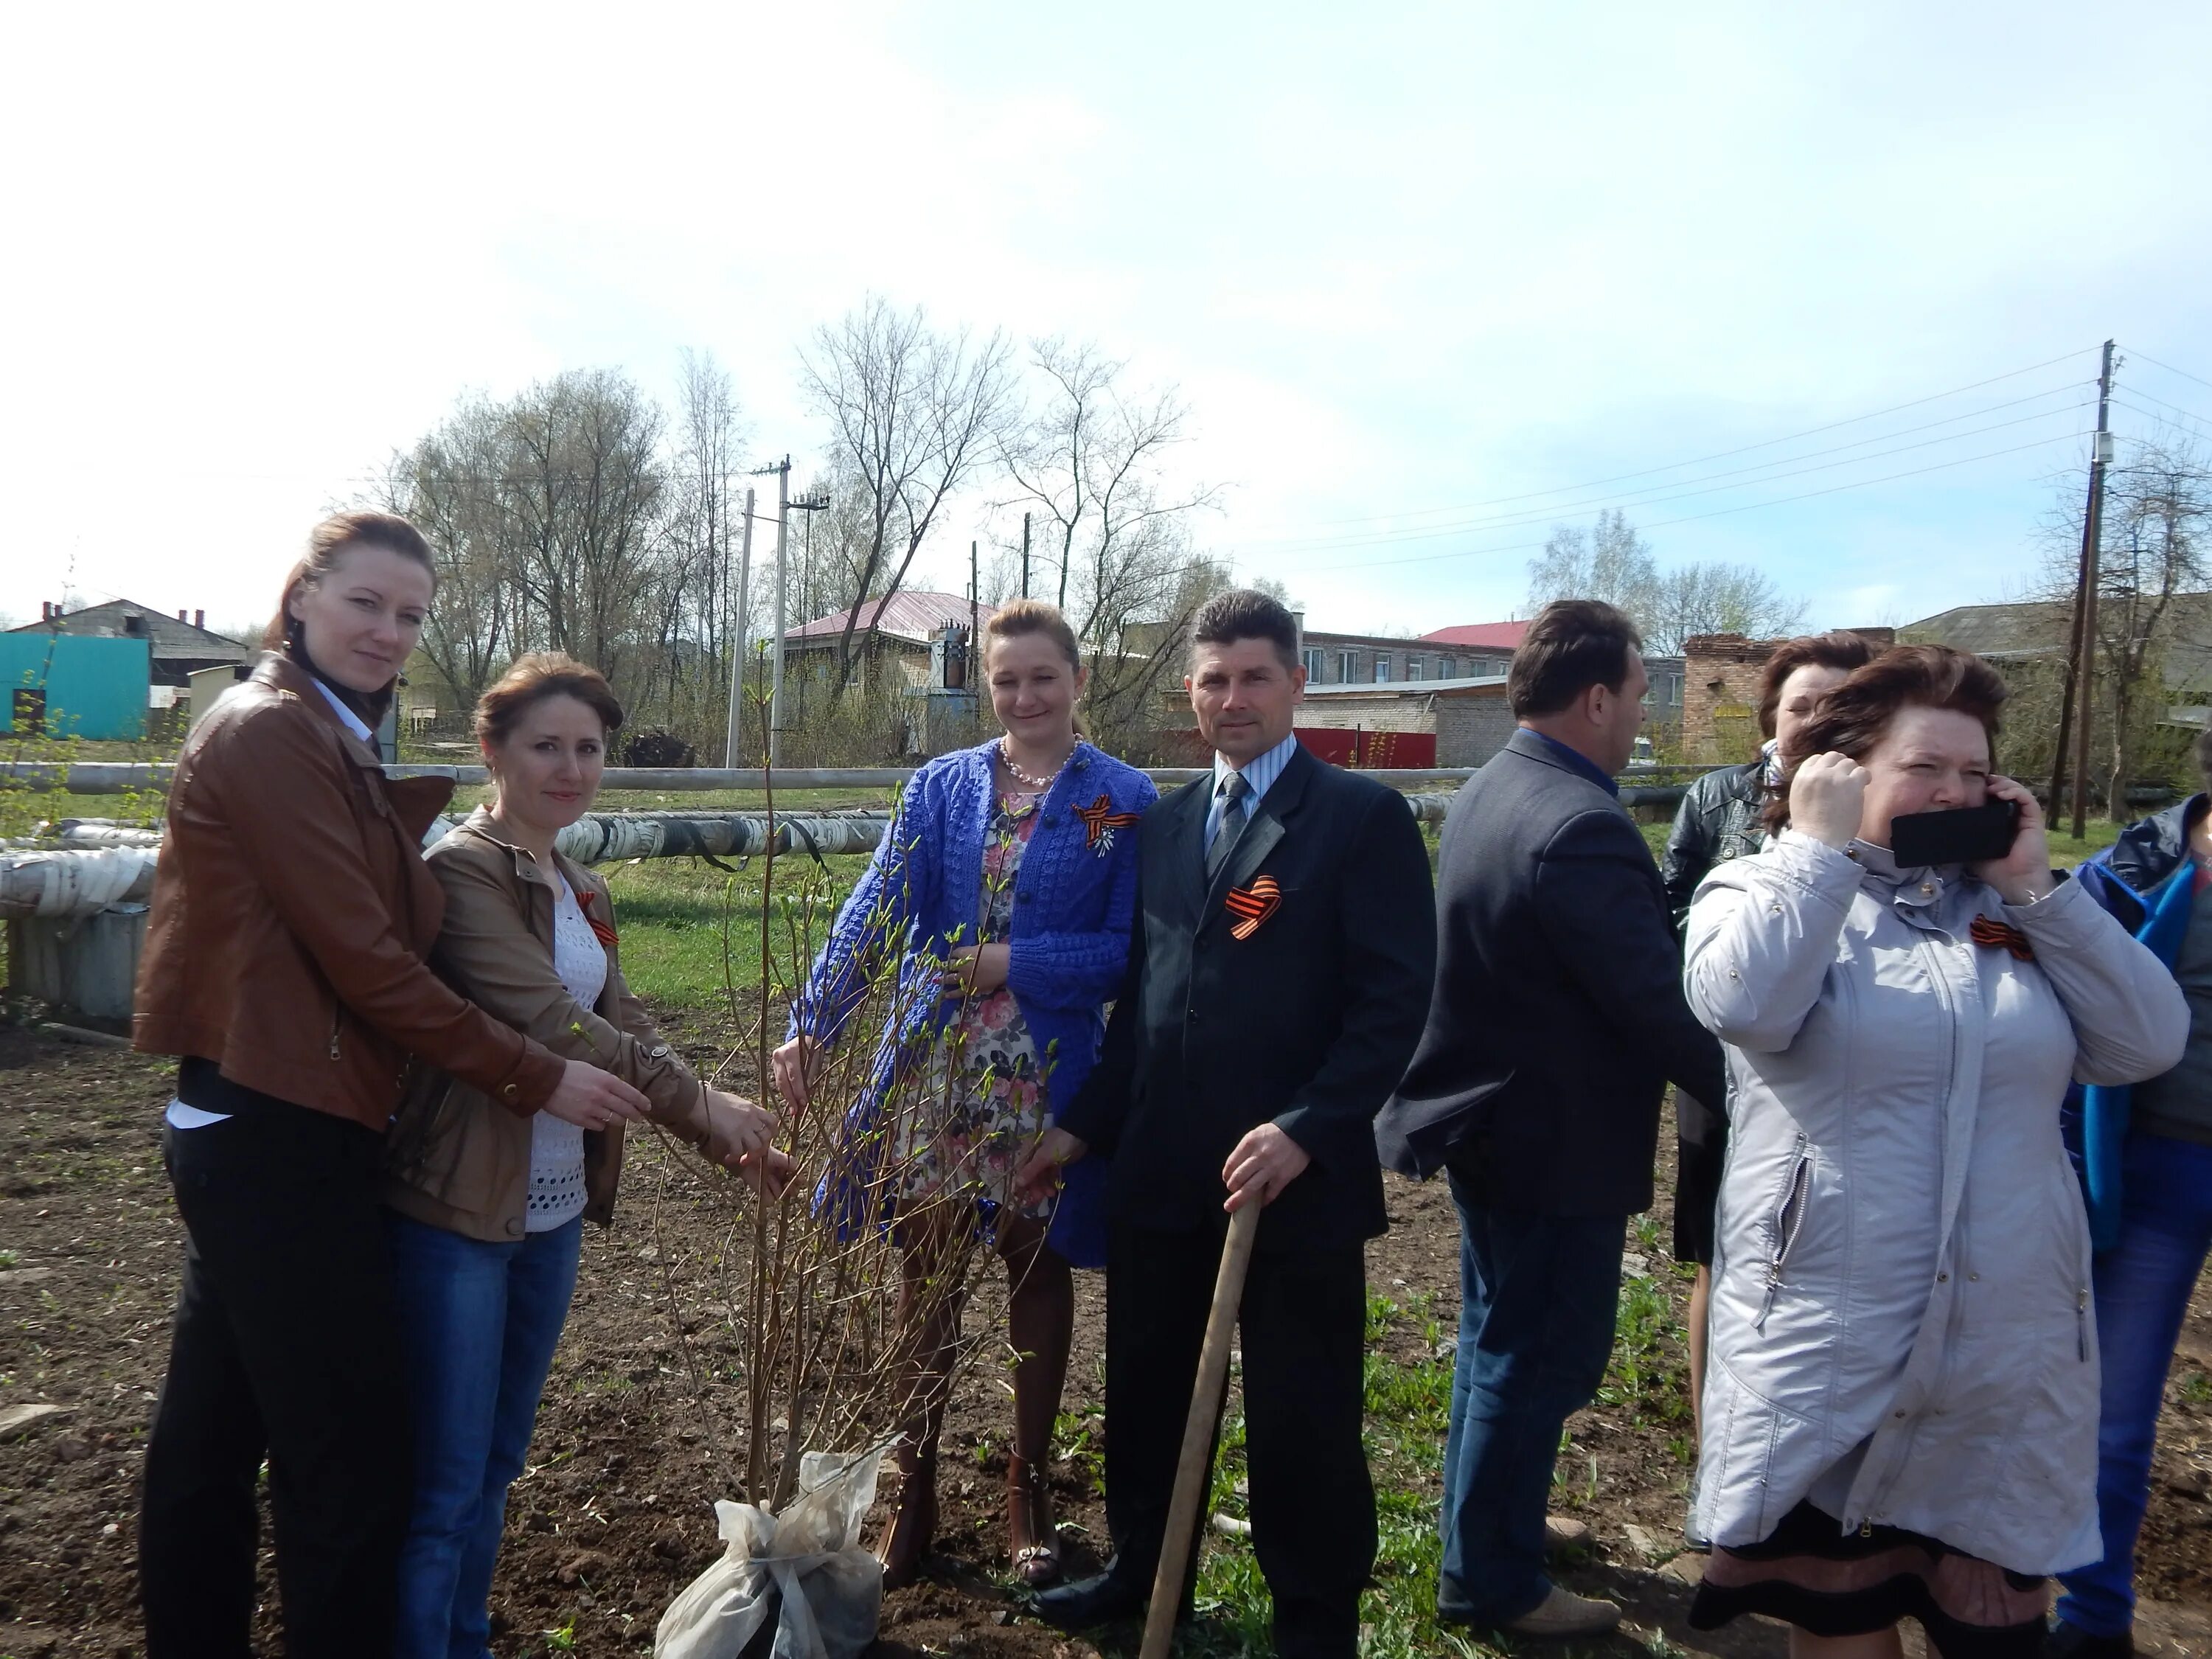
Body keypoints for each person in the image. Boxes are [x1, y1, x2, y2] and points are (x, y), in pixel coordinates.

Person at [132, 514, 650, 1658]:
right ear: (303, 594)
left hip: (271, 1110)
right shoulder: (272, 732)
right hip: (276, 1117)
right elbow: (365, 960)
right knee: (347, 1455)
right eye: (367, 602)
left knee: (216, 1433)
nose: (389, 632)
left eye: (410, 615)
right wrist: (535, 1073)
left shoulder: (331, 733)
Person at [1683, 645, 2187, 1659]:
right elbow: (1744, 1003)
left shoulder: (2016, 913)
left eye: (1977, 771)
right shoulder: (1753, 888)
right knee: (1842, 1626)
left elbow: (2145, 1041)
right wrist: (1816, 856)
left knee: (1991, 1627)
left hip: (2001, 1351)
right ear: (1841, 771)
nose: (1957, 790)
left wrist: (2042, 890)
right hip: (1832, 1344)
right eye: (1927, 768)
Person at [1018, 589, 1436, 1659]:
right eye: (1214, 678)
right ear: (1189, 695)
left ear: (1297, 682)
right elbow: (1147, 1009)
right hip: (1164, 1169)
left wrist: (1307, 1125)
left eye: (1255, 675)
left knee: (1304, 1409)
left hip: (1292, 1180)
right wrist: (1082, 1127)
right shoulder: (1161, 827)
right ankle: (1141, 1569)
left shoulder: (1358, 820)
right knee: (1147, 1391)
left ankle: (1314, 1616)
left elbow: (1393, 1004)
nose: (1233, 697)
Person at [380, 653, 787, 1658]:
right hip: (461, 1210)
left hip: (552, 1205)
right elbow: (550, 1019)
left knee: (499, 1462)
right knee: (443, 1480)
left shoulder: (577, 880)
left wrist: (710, 1113)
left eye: (588, 748)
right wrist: (700, 1103)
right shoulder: (463, 871)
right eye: (546, 746)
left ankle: (462, 1639)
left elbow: (622, 1013)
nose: (570, 767)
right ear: (492, 751)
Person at [775, 600, 1156, 1588]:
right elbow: (878, 903)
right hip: (937, 1074)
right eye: (1006, 679)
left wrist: (1010, 959)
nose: (1025, 695)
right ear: (987, 687)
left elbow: (1127, 952)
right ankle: (917, 1484)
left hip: (1044, 1076)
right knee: (926, 1276)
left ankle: (1028, 1488)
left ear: (1077, 679)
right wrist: (819, 1014)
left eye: (1043, 676)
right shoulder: (942, 788)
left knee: (1035, 1272)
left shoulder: (1117, 800)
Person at [1376, 598, 1725, 1638]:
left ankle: (1492, 1527)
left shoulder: (1496, 786)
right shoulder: (1582, 822)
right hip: (1550, 1138)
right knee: (1544, 1355)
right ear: (1599, 695)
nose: (1638, 720)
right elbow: (1655, 1003)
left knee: (1499, 1338)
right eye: (1636, 693)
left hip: (1494, 1121)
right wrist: (1759, 1096)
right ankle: (1493, 1580)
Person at [1659, 630, 1874, 1436]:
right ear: (1772, 716)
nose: (1818, 720)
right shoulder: (1718, 799)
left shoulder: (1889, 804)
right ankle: (1720, 1446)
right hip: (1725, 1065)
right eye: (1802, 705)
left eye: (1839, 705)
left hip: (1848, 1065)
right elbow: (1673, 910)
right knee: (1723, 1252)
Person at [2049, 727, 2212, 1659]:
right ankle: (2095, 1619)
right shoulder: (2139, 864)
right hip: (2157, 1168)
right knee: (2113, 1411)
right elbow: (2058, 986)